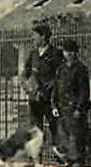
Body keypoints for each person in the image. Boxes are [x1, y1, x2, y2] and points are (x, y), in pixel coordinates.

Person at [54, 37, 91, 167]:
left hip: (75, 106)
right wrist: (54, 104)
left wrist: (79, 107)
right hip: (63, 105)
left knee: (77, 134)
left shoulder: (81, 69)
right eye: (66, 51)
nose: (68, 54)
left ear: (75, 52)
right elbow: (56, 87)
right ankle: (68, 159)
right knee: (64, 133)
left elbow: (84, 90)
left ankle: (79, 159)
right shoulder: (61, 69)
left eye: (71, 51)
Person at [27, 23, 64, 158]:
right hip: (35, 97)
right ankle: (36, 157)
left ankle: (58, 156)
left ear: (43, 37)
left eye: (35, 36)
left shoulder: (56, 53)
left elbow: (61, 74)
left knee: (54, 126)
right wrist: (28, 87)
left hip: (50, 98)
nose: (33, 38)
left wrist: (52, 85)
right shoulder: (33, 54)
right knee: (36, 128)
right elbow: (25, 73)